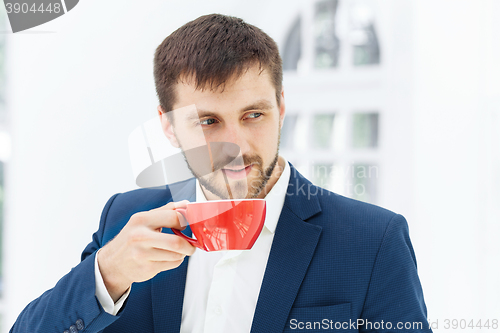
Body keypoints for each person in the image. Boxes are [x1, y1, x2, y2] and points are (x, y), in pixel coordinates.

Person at [10, 14, 432, 333]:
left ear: (281, 107)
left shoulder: (373, 241)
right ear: (169, 126)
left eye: (254, 114)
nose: (238, 147)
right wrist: (107, 274)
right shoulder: (125, 217)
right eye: (208, 122)